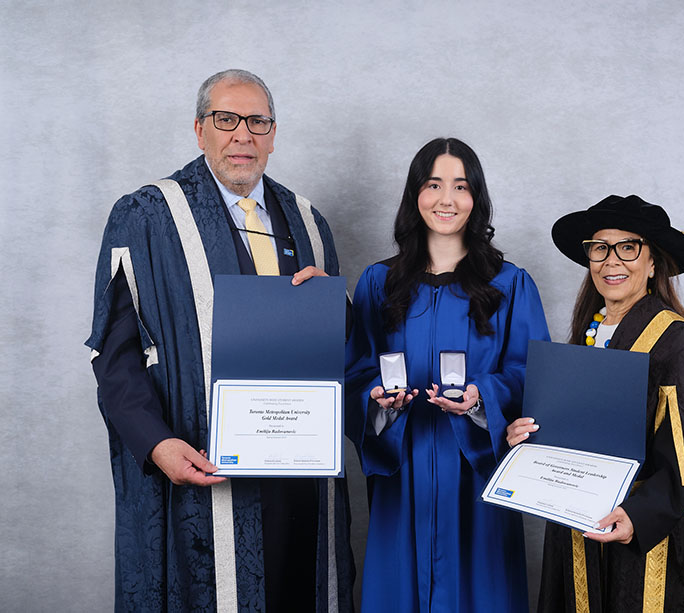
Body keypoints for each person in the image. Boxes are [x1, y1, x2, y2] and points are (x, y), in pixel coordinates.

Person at [87, 69, 354, 612]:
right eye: (226, 119)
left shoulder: (308, 222)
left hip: (297, 467)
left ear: (274, 134)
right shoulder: (147, 216)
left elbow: (336, 349)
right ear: (200, 129)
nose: (242, 135)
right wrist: (156, 442)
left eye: (258, 122)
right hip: (197, 458)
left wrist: (337, 307)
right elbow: (113, 355)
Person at [507, 194, 684, 612]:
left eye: (628, 247)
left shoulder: (681, 347)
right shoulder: (588, 337)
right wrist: (530, 438)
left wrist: (638, 518)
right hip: (581, 525)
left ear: (653, 261)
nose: (611, 261)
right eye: (600, 248)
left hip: (645, 539)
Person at [345, 137, 550, 612]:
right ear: (415, 195)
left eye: (460, 186)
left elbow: (532, 374)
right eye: (433, 184)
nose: (446, 199)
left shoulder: (510, 283)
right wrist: (377, 404)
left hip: (478, 480)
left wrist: (483, 399)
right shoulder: (379, 283)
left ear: (475, 197)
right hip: (404, 476)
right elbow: (355, 373)